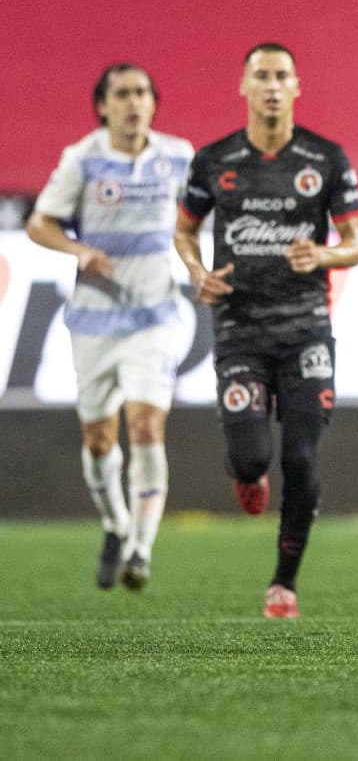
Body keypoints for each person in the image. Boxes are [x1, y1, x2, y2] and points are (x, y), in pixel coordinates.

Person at [174, 43, 358, 619]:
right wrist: (196, 272)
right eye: (262, 76)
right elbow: (185, 231)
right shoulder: (214, 160)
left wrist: (324, 257)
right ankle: (247, 472)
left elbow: (356, 243)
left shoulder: (325, 159)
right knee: (252, 457)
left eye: (282, 75)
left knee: (302, 459)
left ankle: (283, 583)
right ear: (244, 86)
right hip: (239, 330)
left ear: (297, 86)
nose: (273, 86)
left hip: (306, 329)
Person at [27, 63, 194, 592]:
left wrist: (200, 265)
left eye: (142, 92)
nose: (133, 102)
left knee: (146, 428)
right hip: (94, 320)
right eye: (122, 93)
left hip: (155, 316)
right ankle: (116, 523)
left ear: (153, 101)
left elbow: (199, 217)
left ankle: (140, 551)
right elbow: (39, 222)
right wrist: (77, 250)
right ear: (103, 105)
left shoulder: (178, 156)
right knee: (99, 439)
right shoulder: (84, 158)